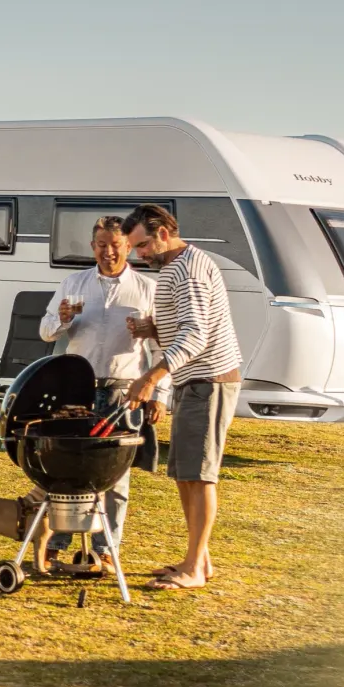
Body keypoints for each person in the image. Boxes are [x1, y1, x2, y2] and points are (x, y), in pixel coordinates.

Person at [122, 204, 242, 590]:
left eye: (140, 246)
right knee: (185, 474)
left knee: (200, 476)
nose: (138, 255)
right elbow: (185, 324)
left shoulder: (186, 269)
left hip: (210, 379)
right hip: (195, 380)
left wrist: (151, 376)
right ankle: (198, 560)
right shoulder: (178, 266)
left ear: (161, 234)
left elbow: (196, 334)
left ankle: (194, 568)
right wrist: (152, 328)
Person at [39, 214, 162, 566]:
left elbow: (160, 347)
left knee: (115, 475)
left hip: (125, 390)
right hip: (76, 389)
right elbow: (46, 333)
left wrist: (159, 394)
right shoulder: (74, 283)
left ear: (128, 247)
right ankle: (54, 544)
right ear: (93, 246)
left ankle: (107, 550)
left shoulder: (146, 289)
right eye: (102, 245)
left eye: (116, 245)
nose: (109, 252)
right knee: (67, 468)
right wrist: (62, 318)